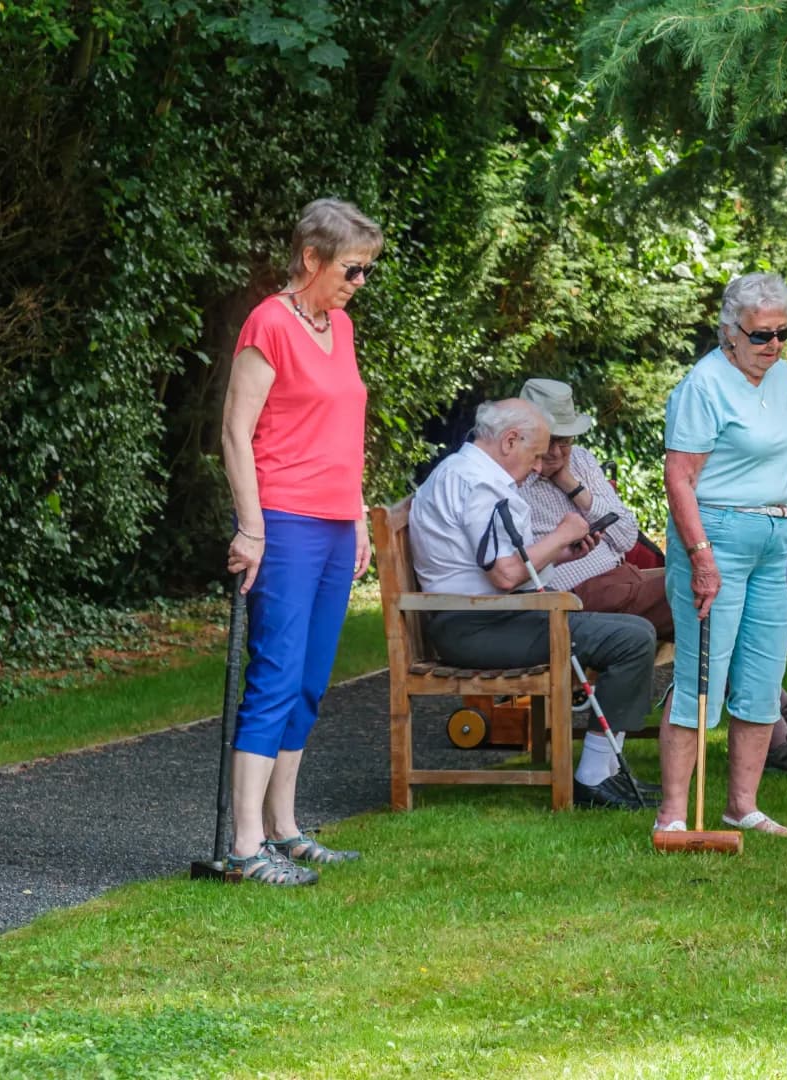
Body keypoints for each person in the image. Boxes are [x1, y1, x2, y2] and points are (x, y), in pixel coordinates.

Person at [514, 377, 787, 777]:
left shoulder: (580, 463)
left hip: (623, 578)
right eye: (550, 440)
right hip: (573, 594)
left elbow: (623, 535)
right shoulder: (515, 476)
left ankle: (777, 724)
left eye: (565, 440)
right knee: (716, 598)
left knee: (717, 608)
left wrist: (569, 483)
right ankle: (779, 723)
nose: (556, 451)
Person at [220, 198, 383, 886]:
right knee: (275, 677)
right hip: (283, 522)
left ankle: (285, 828)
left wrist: (359, 518)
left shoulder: (338, 327)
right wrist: (251, 528)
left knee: (311, 683)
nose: (358, 283)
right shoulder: (268, 324)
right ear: (311, 258)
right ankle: (243, 845)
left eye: (367, 271)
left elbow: (346, 432)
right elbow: (236, 432)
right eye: (351, 269)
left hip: (333, 526)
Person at [410, 398, 661, 810]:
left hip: (485, 617)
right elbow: (505, 574)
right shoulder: (479, 483)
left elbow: (506, 563)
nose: (539, 466)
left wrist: (562, 554)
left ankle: (605, 775)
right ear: (510, 440)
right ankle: (595, 780)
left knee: (631, 633)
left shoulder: (467, 472)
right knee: (630, 639)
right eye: (536, 454)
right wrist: (562, 534)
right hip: (477, 627)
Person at [654, 273, 787, 839]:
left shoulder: (783, 375)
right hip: (715, 531)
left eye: (783, 334)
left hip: (774, 534)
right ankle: (673, 815)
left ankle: (742, 806)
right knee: (702, 674)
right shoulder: (704, 385)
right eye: (762, 335)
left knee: (763, 675)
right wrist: (699, 554)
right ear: (730, 332)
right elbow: (679, 476)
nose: (774, 345)